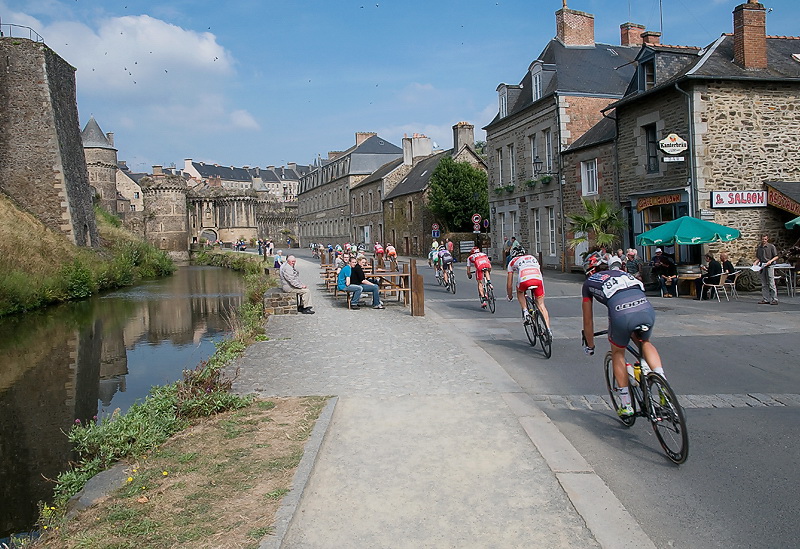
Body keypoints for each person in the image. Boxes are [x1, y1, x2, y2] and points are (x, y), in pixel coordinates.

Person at [581, 254, 665, 417]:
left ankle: (626, 403)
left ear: (590, 270)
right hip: (645, 308)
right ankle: (663, 383)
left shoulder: (589, 283)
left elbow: (588, 321)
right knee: (645, 342)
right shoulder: (624, 273)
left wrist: (590, 345)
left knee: (618, 352)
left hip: (621, 312)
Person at [506, 246, 551, 334]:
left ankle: (525, 311)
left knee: (519, 291)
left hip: (524, 279)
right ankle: (548, 330)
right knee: (541, 304)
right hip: (537, 279)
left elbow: (509, 284)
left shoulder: (512, 262)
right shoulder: (532, 257)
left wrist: (510, 295)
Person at [754, 234, 779, 305]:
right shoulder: (759, 248)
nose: (764, 241)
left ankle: (774, 299)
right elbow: (759, 258)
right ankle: (765, 299)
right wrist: (755, 262)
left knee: (771, 282)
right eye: (762, 239)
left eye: (765, 239)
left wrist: (770, 261)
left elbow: (776, 256)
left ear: (767, 239)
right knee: (764, 283)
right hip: (762, 265)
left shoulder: (771, 247)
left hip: (769, 265)